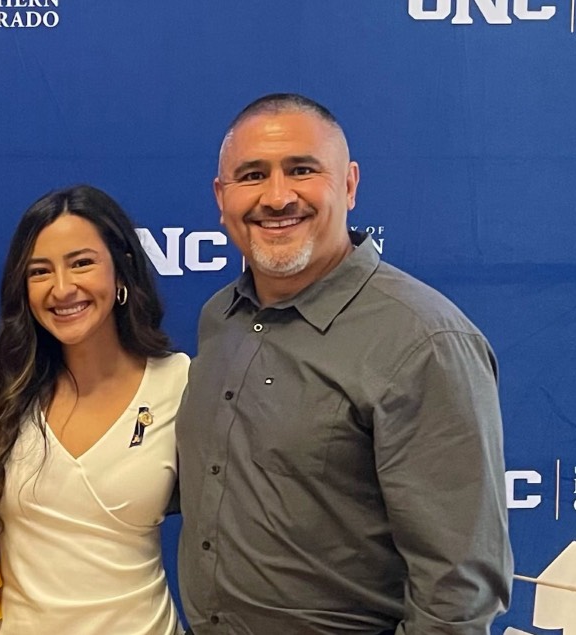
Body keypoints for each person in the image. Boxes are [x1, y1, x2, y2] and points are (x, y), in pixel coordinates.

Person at [177, 93, 512, 634]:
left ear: (350, 184)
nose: (277, 196)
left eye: (302, 170)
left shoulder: (424, 341)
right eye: (252, 175)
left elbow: (457, 592)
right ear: (222, 196)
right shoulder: (222, 317)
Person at [0, 185, 187, 635]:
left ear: (121, 270)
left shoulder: (181, 383)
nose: (62, 288)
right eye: (40, 271)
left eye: (82, 263)